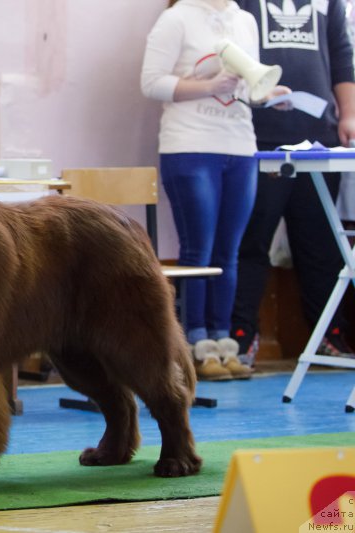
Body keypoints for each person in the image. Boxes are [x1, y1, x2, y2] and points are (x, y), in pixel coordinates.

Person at [141, 0, 290, 380]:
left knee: (229, 252)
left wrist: (268, 94)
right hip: (191, 144)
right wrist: (209, 86)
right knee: (199, 251)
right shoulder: (176, 18)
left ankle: (225, 343)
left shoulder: (244, 20)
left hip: (240, 145)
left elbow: (247, 87)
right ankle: (195, 344)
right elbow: (151, 82)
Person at [232, 0, 355, 362]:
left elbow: (342, 55)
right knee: (251, 241)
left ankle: (329, 335)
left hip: (319, 139)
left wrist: (348, 115)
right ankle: (241, 336)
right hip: (259, 139)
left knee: (321, 245)